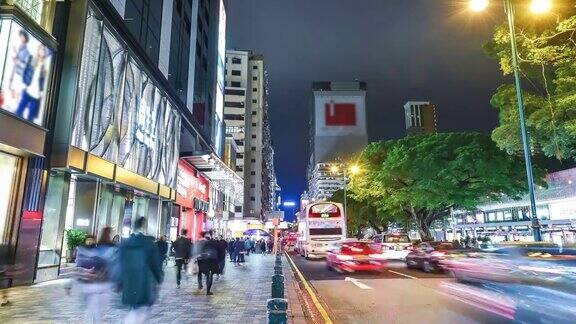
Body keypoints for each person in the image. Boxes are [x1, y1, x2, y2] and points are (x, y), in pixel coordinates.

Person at [118, 217, 163, 324]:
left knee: (134, 307)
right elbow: (155, 264)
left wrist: (119, 280)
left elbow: (120, 263)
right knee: (142, 309)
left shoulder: (125, 243)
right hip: (144, 280)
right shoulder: (149, 243)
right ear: (144, 225)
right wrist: (159, 278)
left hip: (128, 279)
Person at [74, 228, 118, 324]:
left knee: (93, 309)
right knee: (95, 309)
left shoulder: (97, 248)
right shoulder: (107, 249)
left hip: (93, 283)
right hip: (99, 284)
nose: (90, 242)